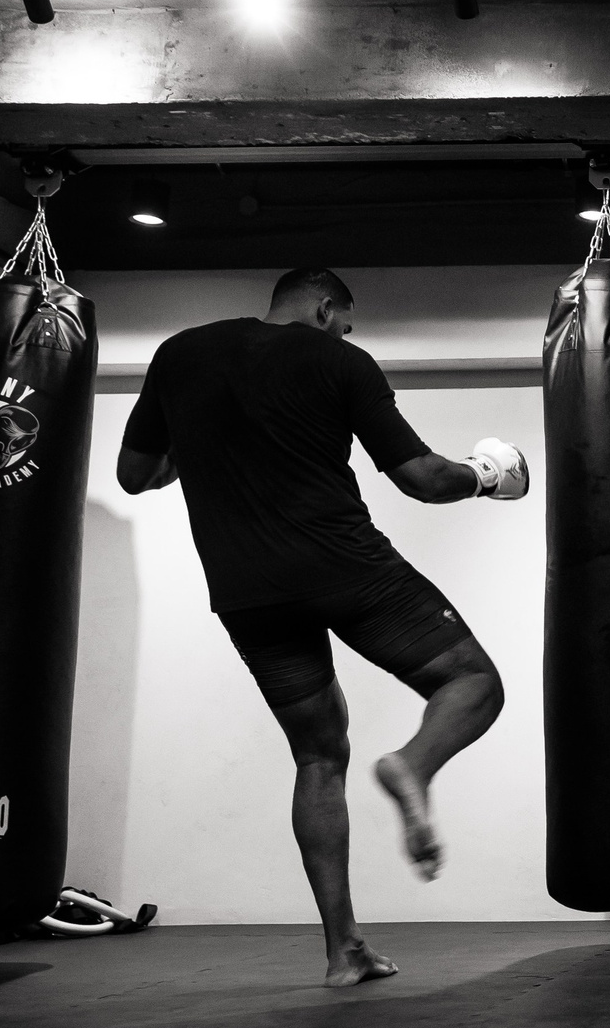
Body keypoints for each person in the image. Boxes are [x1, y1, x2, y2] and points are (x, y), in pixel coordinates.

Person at [116, 268, 528, 987]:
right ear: (324, 305)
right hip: (343, 566)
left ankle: (343, 953)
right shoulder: (339, 361)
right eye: (344, 320)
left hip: (246, 591)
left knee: (317, 755)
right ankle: (412, 766)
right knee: (473, 681)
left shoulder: (178, 354)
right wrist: (488, 474)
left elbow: (135, 474)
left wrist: (206, 447)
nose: (346, 332)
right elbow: (423, 477)